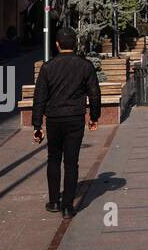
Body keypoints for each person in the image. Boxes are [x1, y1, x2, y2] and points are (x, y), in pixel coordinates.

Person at [32, 32, 101, 218]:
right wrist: (94, 117)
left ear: (57, 44)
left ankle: (54, 201)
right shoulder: (85, 66)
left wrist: (37, 125)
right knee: (71, 162)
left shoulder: (48, 68)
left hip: (54, 118)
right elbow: (94, 93)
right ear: (75, 43)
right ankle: (68, 206)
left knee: (53, 158)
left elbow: (39, 98)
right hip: (75, 118)